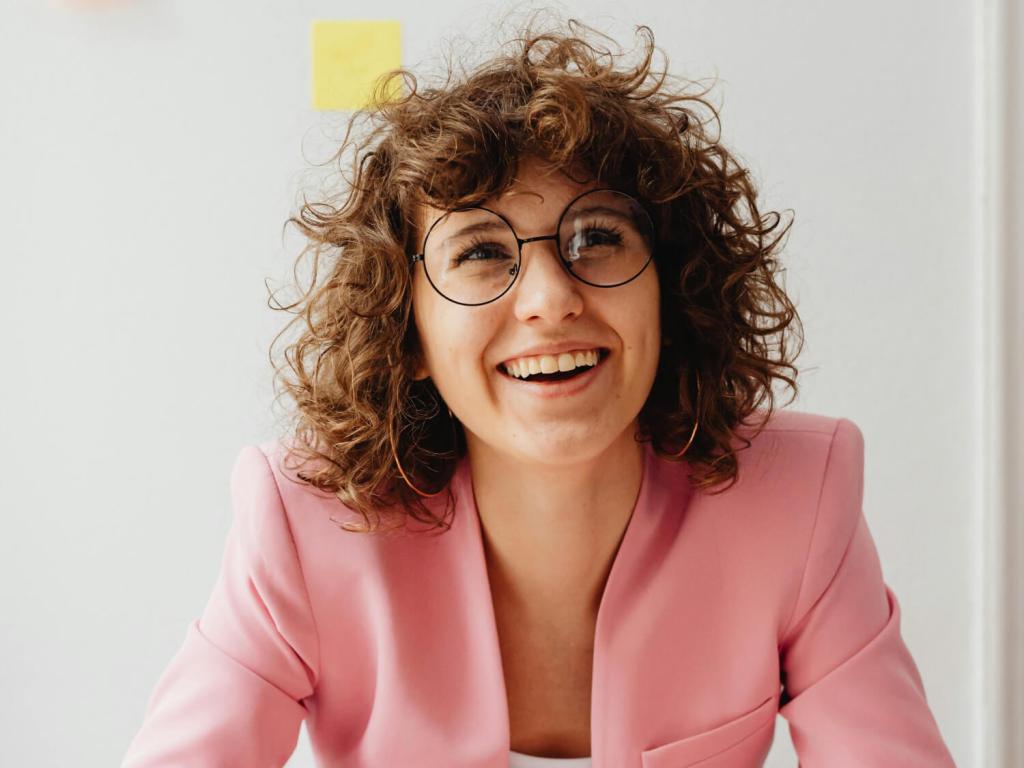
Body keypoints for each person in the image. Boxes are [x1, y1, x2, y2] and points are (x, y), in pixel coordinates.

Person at [121, 14, 957, 768]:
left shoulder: (798, 501)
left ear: (671, 288)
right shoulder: (303, 524)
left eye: (597, 236)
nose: (551, 297)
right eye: (481, 252)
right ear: (407, 332)